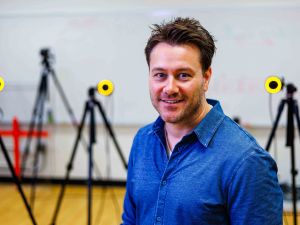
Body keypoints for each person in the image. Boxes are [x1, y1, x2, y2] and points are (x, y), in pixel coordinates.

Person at [121, 17, 283, 225]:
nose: (169, 88)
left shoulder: (246, 161)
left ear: (206, 78)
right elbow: (130, 220)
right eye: (160, 75)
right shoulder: (143, 140)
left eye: (183, 75)